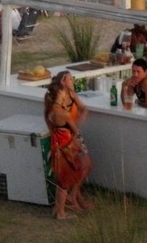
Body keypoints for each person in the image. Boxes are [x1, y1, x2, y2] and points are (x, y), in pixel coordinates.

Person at [43, 70, 91, 219]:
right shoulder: (63, 113)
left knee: (62, 179)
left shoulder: (51, 108)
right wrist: (81, 144)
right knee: (64, 181)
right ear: (61, 92)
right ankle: (61, 213)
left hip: (58, 144)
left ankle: (59, 209)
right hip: (67, 145)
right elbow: (75, 129)